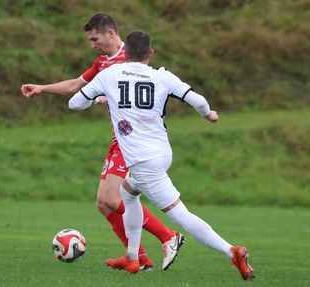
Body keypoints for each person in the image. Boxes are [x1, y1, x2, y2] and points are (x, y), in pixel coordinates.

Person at [68, 30, 255, 280]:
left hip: (144, 162)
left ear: (126, 54)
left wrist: (101, 100)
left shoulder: (110, 74)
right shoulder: (163, 76)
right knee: (127, 193)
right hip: (162, 153)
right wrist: (207, 114)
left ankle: (231, 251)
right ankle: (132, 258)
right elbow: (198, 100)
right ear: (151, 54)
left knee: (179, 215)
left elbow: (74, 104)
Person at [21, 13, 185, 271]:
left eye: (95, 38)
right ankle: (139, 258)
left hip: (132, 140)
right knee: (103, 203)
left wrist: (101, 99)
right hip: (118, 138)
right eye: (89, 40)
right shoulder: (102, 62)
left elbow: (138, 95)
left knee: (111, 198)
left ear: (110, 33)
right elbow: (76, 84)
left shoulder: (130, 59)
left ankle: (167, 236)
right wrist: (43, 88)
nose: (92, 44)